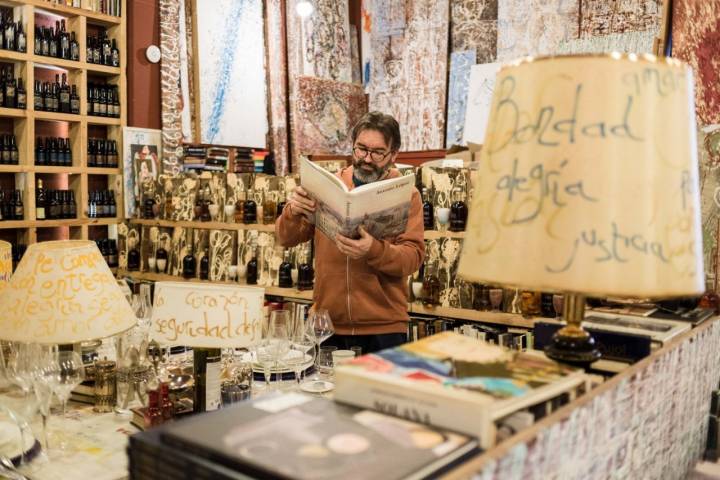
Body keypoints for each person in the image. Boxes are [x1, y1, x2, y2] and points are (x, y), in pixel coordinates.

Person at [275, 111, 424, 353]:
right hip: (327, 324)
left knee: (375, 393)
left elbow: (412, 258)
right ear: (352, 147)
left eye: (377, 153)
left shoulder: (407, 194)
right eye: (361, 149)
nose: (366, 158)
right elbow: (285, 238)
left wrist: (373, 250)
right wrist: (293, 210)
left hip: (384, 328)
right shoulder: (326, 186)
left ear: (393, 155)